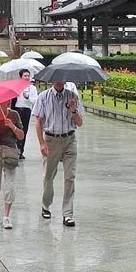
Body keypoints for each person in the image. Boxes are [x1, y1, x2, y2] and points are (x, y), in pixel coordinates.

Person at [32, 78, 85, 227]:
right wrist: (41, 143)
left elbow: (79, 123)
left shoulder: (72, 96)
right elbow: (38, 122)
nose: (59, 81)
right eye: (56, 78)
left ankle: (68, 214)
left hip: (69, 139)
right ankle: (46, 204)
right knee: (48, 176)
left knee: (70, 177)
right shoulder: (44, 97)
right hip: (51, 139)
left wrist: (73, 110)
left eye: (62, 78)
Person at [8, 69, 38, 160]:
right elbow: (11, 99)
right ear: (21, 77)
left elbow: (35, 100)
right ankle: (15, 149)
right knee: (16, 129)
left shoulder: (32, 88)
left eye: (28, 76)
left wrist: (28, 97)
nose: (27, 77)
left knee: (24, 130)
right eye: (25, 76)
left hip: (26, 110)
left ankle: (21, 150)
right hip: (16, 110)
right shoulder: (16, 87)